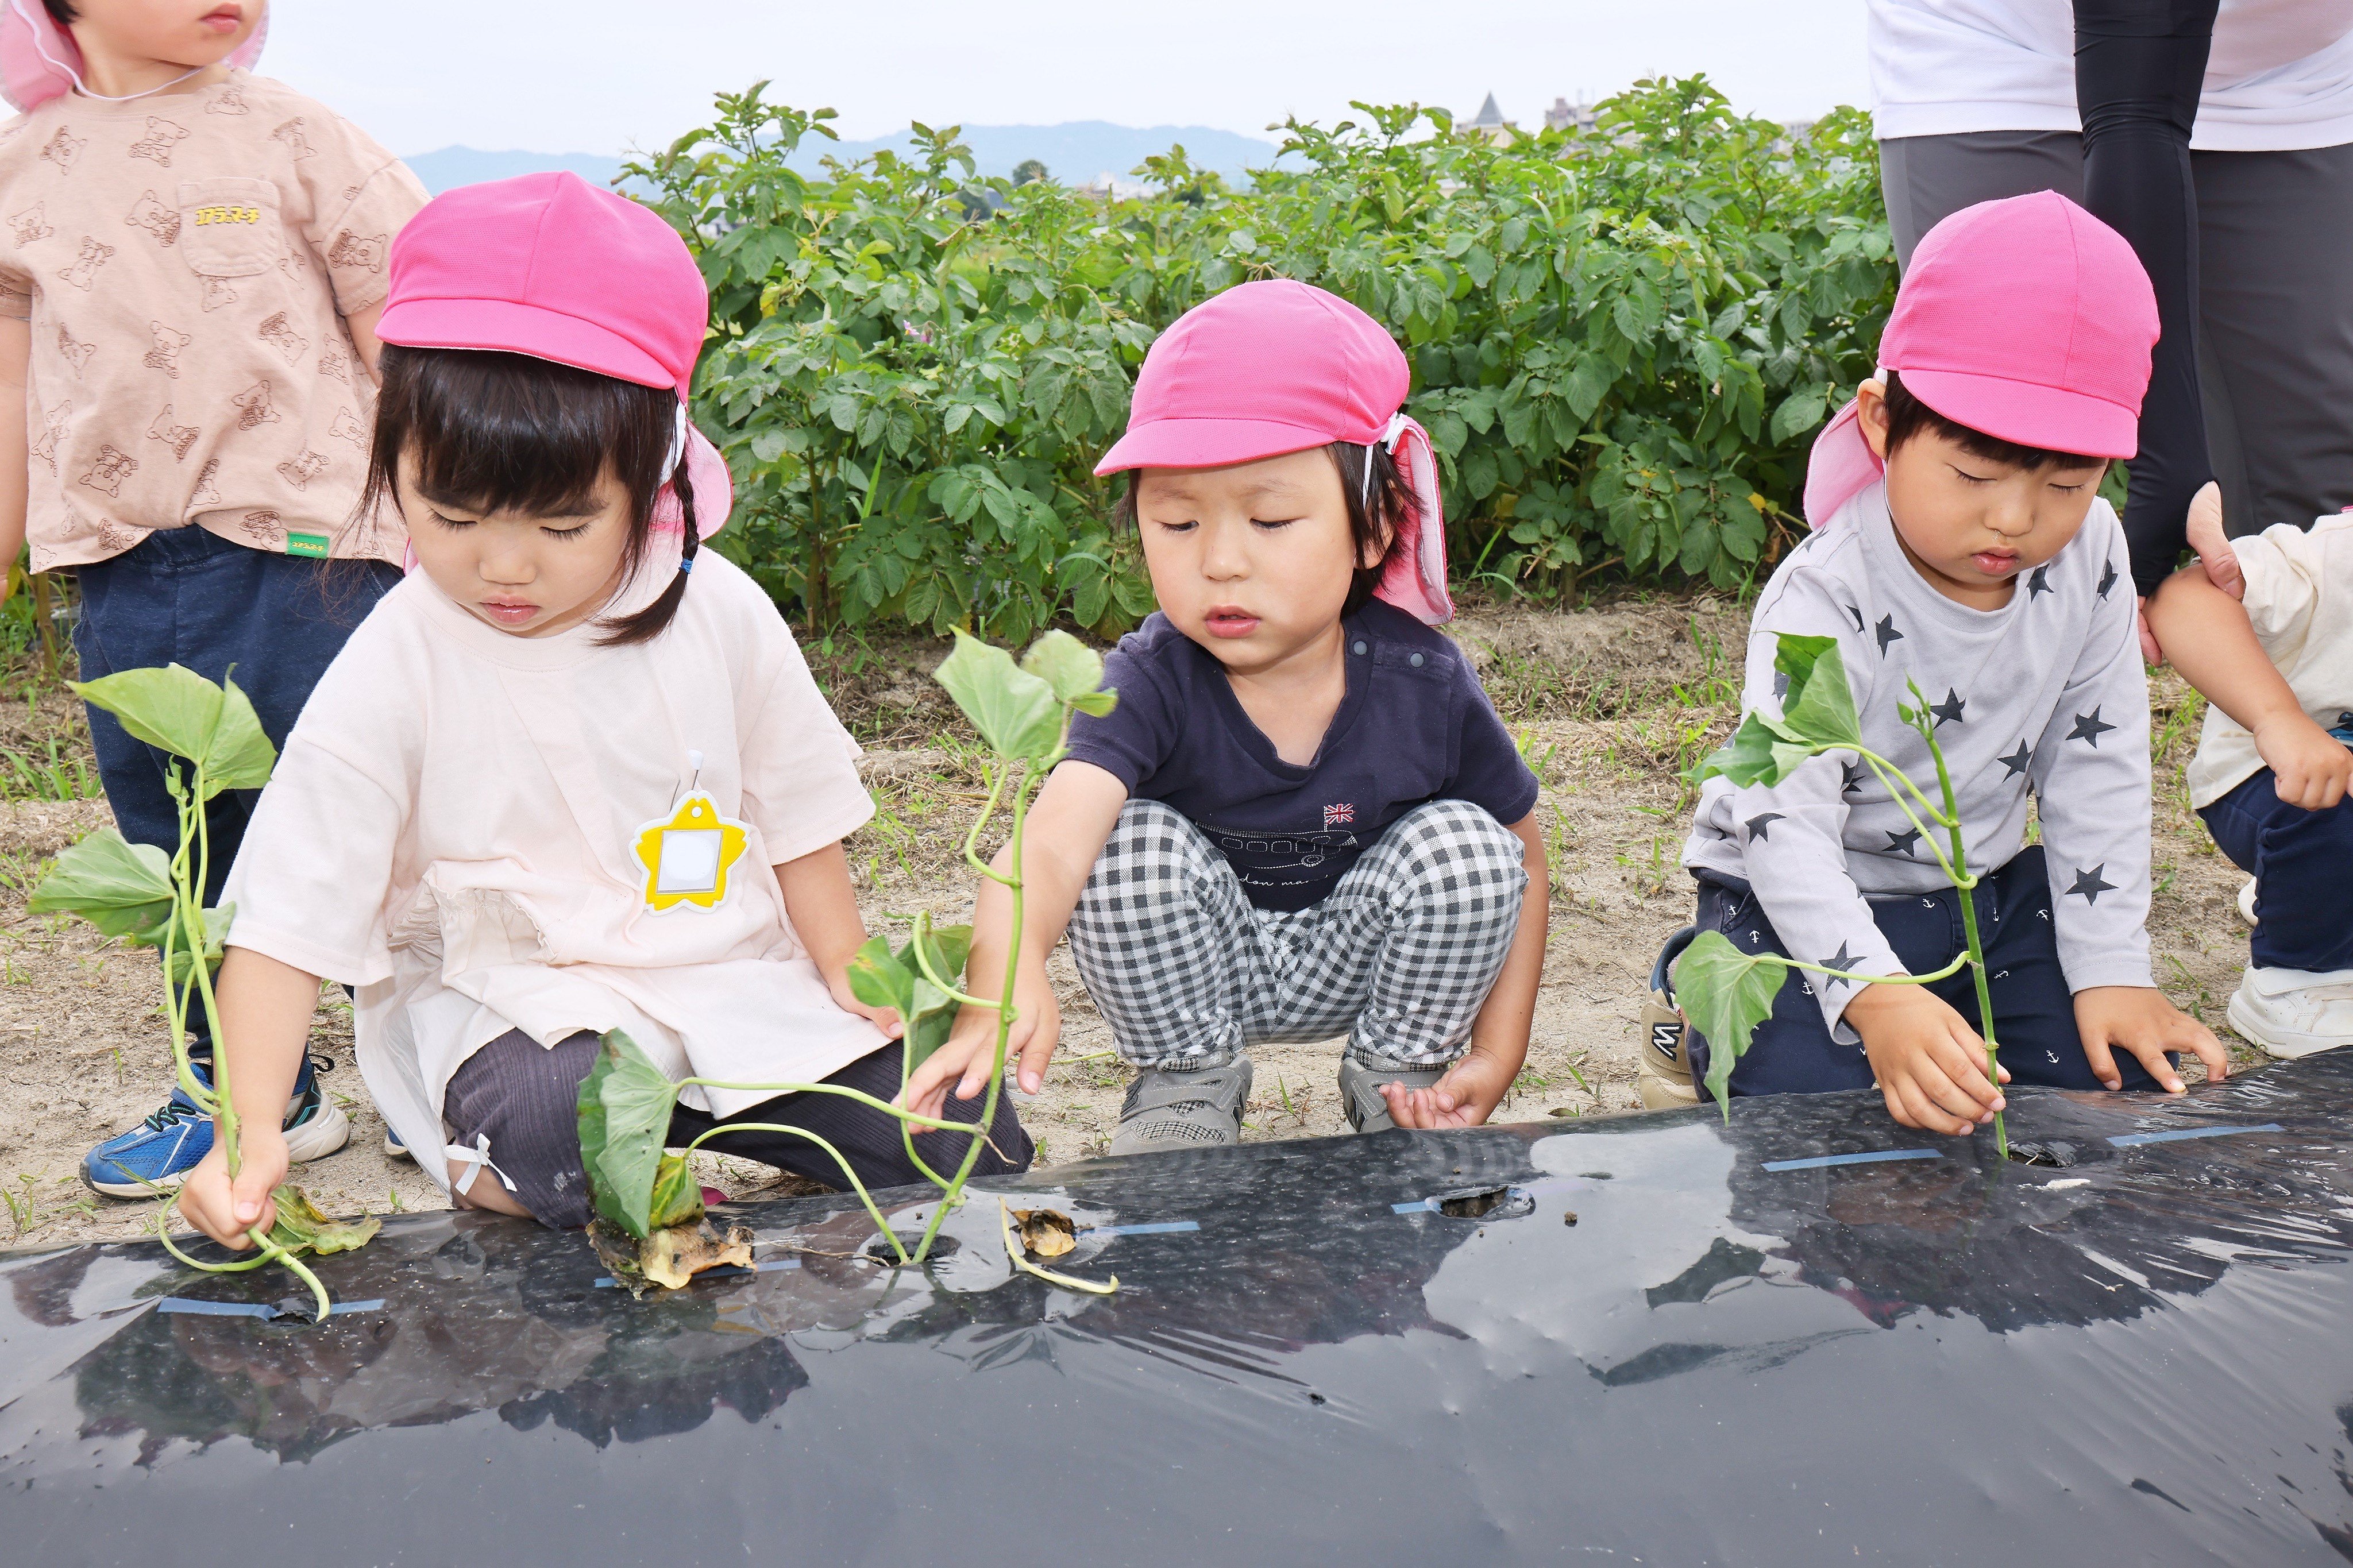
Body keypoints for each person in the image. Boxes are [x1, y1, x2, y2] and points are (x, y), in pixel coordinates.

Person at [175, 172, 1030, 1245]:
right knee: (552, 1130)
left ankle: (676, 1136)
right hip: (524, 1011)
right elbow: (293, 913)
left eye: (565, 527)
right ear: (391, 463)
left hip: (726, 977)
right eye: (449, 515)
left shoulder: (715, 609)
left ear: (654, 473)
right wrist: (248, 1127)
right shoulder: (398, 653)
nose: (502, 567)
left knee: (963, 1133)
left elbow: (799, 816)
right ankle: (561, 1156)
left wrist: (863, 986)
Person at [898, 280, 1548, 1153]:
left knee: (1472, 846)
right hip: (1201, 969)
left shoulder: (1422, 680)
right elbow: (1051, 841)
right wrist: (1005, 970)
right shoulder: (1149, 679)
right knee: (1121, 840)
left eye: (1271, 518)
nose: (1221, 561)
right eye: (1177, 521)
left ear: (1375, 527)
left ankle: (1404, 1081)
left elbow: (1523, 859)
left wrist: (1500, 1050)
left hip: (1361, 956)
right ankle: (1187, 1086)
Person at [1678, 192, 2227, 1136]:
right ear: (1884, 423)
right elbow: (1783, 819)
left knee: (2107, 1095)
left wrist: (2110, 972)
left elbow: (2099, 764)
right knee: (1823, 1114)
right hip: (1791, 898)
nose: (2015, 519)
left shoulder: (2090, 552)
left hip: (1985, 897)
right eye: (1973, 476)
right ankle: (1689, 1003)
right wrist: (1872, 996)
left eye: (2066, 483)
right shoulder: (1824, 598)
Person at [0, 0, 430, 1196]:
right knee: (185, 836)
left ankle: (435, 1069)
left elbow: (400, 337)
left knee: (375, 824)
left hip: (316, 551)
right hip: (124, 561)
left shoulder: (297, 136)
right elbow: (14, 382)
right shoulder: (21, 173)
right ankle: (245, 1092)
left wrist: (446, 517)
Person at [1868, 1, 2353, 594]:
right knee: (1992, 448)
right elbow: (2138, 95)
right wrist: (2165, 456)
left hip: (2288, 81)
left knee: (2311, 517)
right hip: (2008, 55)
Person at [2145, 510, 2353, 1058]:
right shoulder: (2332, 558)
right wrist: (2278, 718)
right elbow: (2185, 596)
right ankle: (2298, 978)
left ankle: (2315, 900)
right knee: (2331, 817)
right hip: (2269, 781)